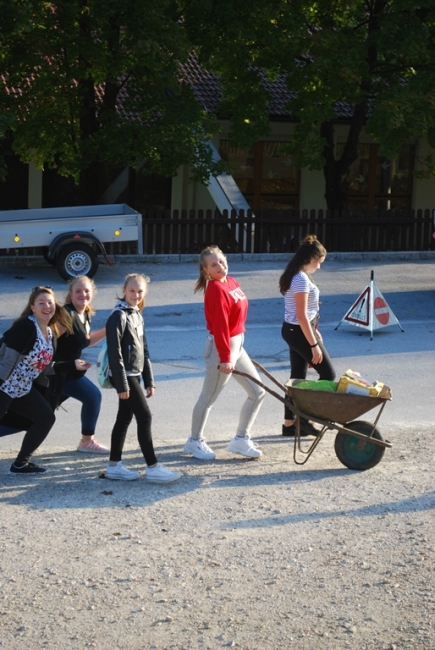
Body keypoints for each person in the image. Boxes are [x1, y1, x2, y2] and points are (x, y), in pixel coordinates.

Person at [184, 245, 265, 460]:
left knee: (258, 392)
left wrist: (235, 350)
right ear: (206, 270)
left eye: (221, 261)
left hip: (236, 346)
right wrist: (227, 357)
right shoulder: (215, 290)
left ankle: (240, 440)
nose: (219, 266)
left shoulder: (231, 282)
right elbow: (220, 326)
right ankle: (194, 441)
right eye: (213, 265)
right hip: (222, 350)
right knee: (208, 398)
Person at [105, 273, 181, 483]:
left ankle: (114, 466)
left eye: (140, 291)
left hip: (134, 374)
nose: (136, 295)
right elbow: (114, 353)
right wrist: (122, 384)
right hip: (124, 376)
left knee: (124, 418)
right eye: (132, 291)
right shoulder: (118, 316)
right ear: (124, 290)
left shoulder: (136, 313)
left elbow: (144, 350)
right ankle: (152, 467)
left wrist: (149, 380)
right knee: (145, 417)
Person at [0, 286, 73, 474]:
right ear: (32, 307)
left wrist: (72, 365)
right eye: (41, 303)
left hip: (22, 388)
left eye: (50, 303)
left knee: (46, 419)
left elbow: (44, 367)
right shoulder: (25, 328)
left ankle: (20, 464)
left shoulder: (50, 333)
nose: (47, 306)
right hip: (4, 385)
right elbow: (7, 362)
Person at [279, 234, 336, 436]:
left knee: (297, 377)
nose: (319, 267)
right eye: (318, 262)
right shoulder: (301, 279)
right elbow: (302, 315)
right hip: (298, 331)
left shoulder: (296, 274)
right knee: (328, 374)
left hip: (295, 330)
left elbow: (306, 314)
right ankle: (306, 419)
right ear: (310, 259)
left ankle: (289, 425)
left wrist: (314, 330)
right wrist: (313, 344)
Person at [54, 276, 108, 454]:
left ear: (92, 293)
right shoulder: (66, 315)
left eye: (86, 291)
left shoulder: (83, 313)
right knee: (93, 397)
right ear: (70, 294)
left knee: (36, 416)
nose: (82, 294)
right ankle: (87, 442)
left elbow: (85, 341)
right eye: (78, 291)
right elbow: (47, 342)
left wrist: (109, 329)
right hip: (59, 373)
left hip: (71, 370)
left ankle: (86, 441)